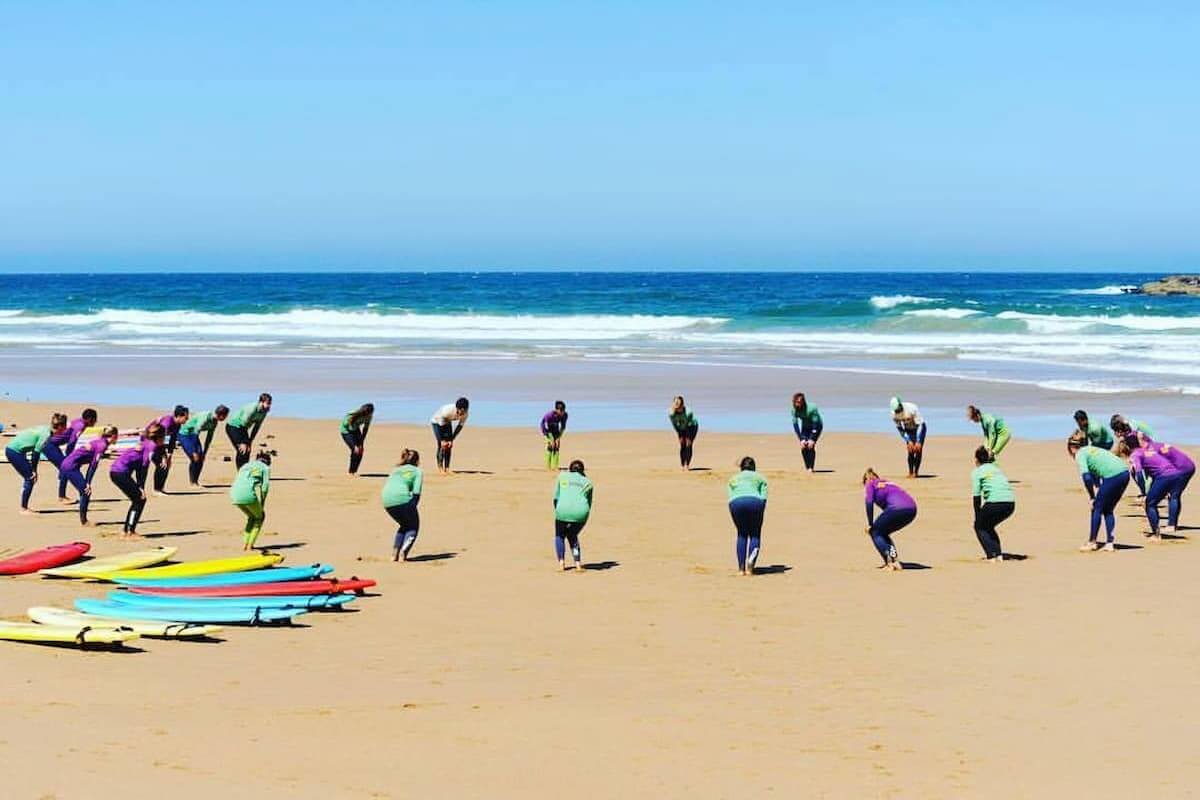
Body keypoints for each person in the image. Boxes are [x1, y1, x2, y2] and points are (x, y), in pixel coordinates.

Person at [1068, 431, 1130, 552]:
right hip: (1124, 472)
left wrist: (1092, 496)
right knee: (1108, 509)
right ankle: (1109, 543)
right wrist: (1099, 488)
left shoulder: (1080, 454)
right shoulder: (1091, 449)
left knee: (1096, 508)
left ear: (1070, 447)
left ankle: (1092, 542)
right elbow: (1097, 470)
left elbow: (1087, 477)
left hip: (1113, 475)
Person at [1120, 437, 1189, 540]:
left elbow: (1139, 474)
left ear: (1127, 446)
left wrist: (1144, 492)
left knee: (1149, 504)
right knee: (1172, 497)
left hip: (1165, 476)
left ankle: (1156, 535)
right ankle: (1172, 525)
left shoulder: (1135, 455)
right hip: (1176, 474)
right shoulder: (1147, 450)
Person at [5, 414, 68, 514]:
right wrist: (34, 470)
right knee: (30, 477)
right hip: (14, 451)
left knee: (29, 477)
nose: (66, 429)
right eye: (65, 426)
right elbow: (36, 453)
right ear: (60, 426)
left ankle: (24, 506)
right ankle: (24, 509)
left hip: (16, 450)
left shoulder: (46, 429)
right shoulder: (46, 435)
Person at [109, 423, 164, 537]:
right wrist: (141, 487)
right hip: (120, 472)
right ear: (159, 437)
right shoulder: (151, 446)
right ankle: (129, 531)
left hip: (117, 471)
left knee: (138, 500)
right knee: (139, 500)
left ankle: (128, 530)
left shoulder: (147, 442)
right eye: (164, 437)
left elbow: (141, 466)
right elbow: (144, 467)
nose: (164, 440)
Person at [58, 426, 119, 526]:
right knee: (85, 492)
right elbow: (93, 466)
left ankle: (83, 519)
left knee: (84, 491)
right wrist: (88, 482)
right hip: (70, 466)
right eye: (117, 436)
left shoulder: (100, 441)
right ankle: (84, 521)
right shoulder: (102, 445)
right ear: (113, 436)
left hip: (69, 464)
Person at [863, 467, 917, 570]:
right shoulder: (888, 483)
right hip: (912, 509)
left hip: (897, 508)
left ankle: (889, 562)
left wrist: (870, 524)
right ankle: (895, 560)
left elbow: (869, 503)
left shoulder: (870, 484)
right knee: (884, 533)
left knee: (875, 532)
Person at [970, 446, 1015, 561]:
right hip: (1010, 504)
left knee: (979, 526)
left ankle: (991, 556)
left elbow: (976, 496)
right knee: (988, 526)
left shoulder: (977, 472)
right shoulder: (996, 468)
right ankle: (998, 555)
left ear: (976, 460)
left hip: (995, 502)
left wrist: (977, 515)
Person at [727, 456, 768, 575]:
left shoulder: (733, 478)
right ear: (754, 467)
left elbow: (730, 496)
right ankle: (750, 568)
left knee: (742, 534)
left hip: (736, 503)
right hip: (756, 502)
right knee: (755, 534)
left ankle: (741, 569)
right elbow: (764, 498)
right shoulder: (761, 478)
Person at [553, 459, 594, 571]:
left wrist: (558, 511)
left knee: (559, 535)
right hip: (581, 513)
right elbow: (589, 503)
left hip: (562, 510)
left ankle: (561, 563)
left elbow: (556, 497)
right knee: (572, 535)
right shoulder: (588, 482)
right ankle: (578, 564)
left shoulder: (562, 476)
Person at [382, 449, 423, 561]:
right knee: (413, 526)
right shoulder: (417, 471)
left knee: (404, 525)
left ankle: (394, 554)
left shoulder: (395, 470)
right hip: (402, 498)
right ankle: (403, 554)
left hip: (386, 500)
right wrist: (412, 507)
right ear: (417, 461)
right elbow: (416, 492)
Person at [178, 404, 229, 486]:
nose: (226, 418)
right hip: (185, 434)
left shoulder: (214, 422)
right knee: (194, 457)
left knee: (200, 458)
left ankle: (195, 481)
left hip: (193, 436)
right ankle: (192, 482)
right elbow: (195, 433)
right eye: (225, 416)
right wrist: (194, 451)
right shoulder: (205, 417)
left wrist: (204, 452)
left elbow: (209, 438)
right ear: (221, 415)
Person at [230, 452, 272, 550]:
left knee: (252, 516)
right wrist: (262, 503)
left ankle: (245, 543)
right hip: (247, 495)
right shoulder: (265, 468)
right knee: (260, 517)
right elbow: (265, 488)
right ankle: (250, 545)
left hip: (234, 494)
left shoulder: (246, 465)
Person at [56, 408, 98, 503]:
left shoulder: (78, 421)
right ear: (90, 419)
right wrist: (69, 456)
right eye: (95, 419)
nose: (95, 422)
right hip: (52, 445)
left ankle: (62, 495)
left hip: (55, 444)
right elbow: (72, 442)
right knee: (65, 467)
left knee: (64, 469)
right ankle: (61, 497)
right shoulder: (80, 426)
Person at [148, 405, 190, 494]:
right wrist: (164, 456)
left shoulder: (177, 425)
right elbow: (160, 439)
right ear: (179, 416)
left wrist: (169, 455)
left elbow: (172, 440)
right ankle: (156, 490)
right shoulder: (167, 422)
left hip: (159, 443)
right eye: (186, 418)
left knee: (167, 464)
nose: (187, 420)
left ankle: (161, 488)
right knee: (161, 464)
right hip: (150, 442)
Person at [226, 393, 272, 469]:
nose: (269, 406)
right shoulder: (252, 409)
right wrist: (243, 442)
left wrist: (250, 441)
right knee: (242, 450)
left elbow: (256, 428)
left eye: (270, 403)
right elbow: (242, 425)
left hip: (243, 428)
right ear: (261, 402)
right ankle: (240, 472)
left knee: (248, 450)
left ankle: (245, 470)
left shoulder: (264, 412)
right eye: (268, 403)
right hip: (233, 426)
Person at [889, 396, 926, 477]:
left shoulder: (912, 408)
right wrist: (908, 441)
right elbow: (900, 429)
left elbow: (921, 425)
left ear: (900, 405)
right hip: (908, 430)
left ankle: (916, 472)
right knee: (910, 450)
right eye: (896, 410)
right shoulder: (894, 415)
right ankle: (910, 472)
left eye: (898, 409)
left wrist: (918, 441)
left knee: (918, 450)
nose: (897, 411)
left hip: (919, 429)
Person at [431, 397, 469, 474]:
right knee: (442, 445)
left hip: (448, 422)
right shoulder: (447, 411)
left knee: (449, 445)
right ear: (457, 408)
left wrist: (451, 439)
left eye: (464, 411)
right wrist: (442, 440)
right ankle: (440, 468)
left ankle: (447, 468)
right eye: (461, 411)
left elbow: (459, 426)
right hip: (437, 422)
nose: (462, 413)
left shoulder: (465, 414)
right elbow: (441, 426)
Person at [791, 392, 823, 472]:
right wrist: (801, 439)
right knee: (803, 446)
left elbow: (815, 424)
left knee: (810, 446)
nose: (797, 404)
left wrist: (812, 439)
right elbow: (795, 425)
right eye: (795, 402)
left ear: (803, 402)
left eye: (799, 402)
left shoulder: (812, 408)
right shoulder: (794, 409)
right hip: (805, 427)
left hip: (816, 426)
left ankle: (811, 468)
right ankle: (807, 467)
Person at [340, 403, 375, 475]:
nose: (370, 415)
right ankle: (350, 471)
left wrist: (361, 441)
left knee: (361, 450)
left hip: (356, 430)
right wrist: (355, 444)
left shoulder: (369, 417)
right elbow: (346, 426)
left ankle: (354, 470)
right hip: (346, 431)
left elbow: (365, 429)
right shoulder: (352, 414)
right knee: (355, 450)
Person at [668, 396, 699, 471]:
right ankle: (682, 464)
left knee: (688, 444)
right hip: (681, 427)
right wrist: (679, 433)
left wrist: (685, 435)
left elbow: (687, 426)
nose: (676, 404)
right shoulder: (671, 413)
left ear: (682, 405)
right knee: (682, 444)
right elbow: (675, 425)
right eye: (675, 403)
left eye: (678, 403)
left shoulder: (688, 412)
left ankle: (687, 465)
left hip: (692, 426)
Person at [540, 401, 568, 471]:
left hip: (555, 428)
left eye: (563, 410)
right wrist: (551, 439)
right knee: (551, 446)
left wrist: (558, 438)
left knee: (557, 446)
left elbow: (563, 427)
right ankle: (548, 466)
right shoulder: (549, 415)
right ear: (556, 410)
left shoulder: (564, 415)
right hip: (546, 429)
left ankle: (555, 466)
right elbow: (546, 428)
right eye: (560, 411)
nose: (562, 412)